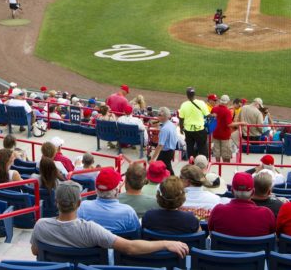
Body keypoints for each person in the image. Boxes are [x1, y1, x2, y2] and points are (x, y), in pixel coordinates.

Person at [30, 181, 188, 259]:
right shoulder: (91, 229)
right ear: (79, 203)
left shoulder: (40, 225)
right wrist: (166, 243)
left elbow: (35, 251)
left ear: (56, 202)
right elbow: (130, 247)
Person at [208, 172, 275, 237]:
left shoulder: (217, 211)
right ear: (253, 192)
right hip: (258, 249)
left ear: (232, 191)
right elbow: (273, 236)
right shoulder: (267, 214)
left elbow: (211, 233)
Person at [77, 167, 140, 233]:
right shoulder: (128, 212)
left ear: (96, 188)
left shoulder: (83, 207)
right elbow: (136, 234)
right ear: (116, 190)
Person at [178, 88, 210, 160]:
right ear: (194, 94)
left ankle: (191, 163)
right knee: (202, 148)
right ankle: (203, 163)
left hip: (188, 130)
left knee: (190, 148)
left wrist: (181, 128)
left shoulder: (184, 105)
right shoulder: (201, 103)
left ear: (187, 95)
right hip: (200, 130)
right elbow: (207, 115)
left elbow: (181, 118)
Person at [211, 95, 241, 163]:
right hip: (225, 136)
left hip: (215, 133)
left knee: (217, 152)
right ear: (227, 102)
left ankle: (217, 165)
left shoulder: (214, 109)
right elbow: (229, 124)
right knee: (226, 154)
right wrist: (241, 123)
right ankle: (225, 166)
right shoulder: (227, 111)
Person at [149, 107, 179, 174]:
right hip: (170, 151)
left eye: (159, 115)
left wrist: (152, 158)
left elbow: (160, 145)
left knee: (156, 168)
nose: (158, 116)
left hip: (166, 152)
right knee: (167, 168)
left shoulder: (164, 129)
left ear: (164, 116)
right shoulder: (171, 125)